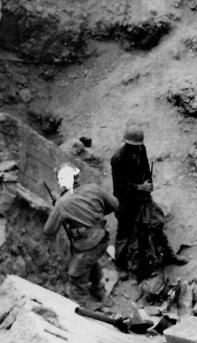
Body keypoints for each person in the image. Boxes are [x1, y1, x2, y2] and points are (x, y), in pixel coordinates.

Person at [109, 125, 187, 280]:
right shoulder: (117, 158)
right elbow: (119, 186)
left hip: (143, 197)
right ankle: (121, 265)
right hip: (125, 201)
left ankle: (168, 256)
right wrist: (140, 187)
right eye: (132, 146)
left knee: (155, 225)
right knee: (124, 233)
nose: (135, 148)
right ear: (126, 143)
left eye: (137, 145)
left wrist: (148, 184)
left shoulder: (141, 149)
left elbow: (145, 169)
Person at [43, 164, 118, 300]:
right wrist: (95, 214)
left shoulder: (62, 204)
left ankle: (84, 305)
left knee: (75, 274)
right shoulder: (94, 189)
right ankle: (98, 288)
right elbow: (114, 205)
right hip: (102, 237)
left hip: (87, 244)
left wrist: (57, 210)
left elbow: (49, 231)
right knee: (89, 260)